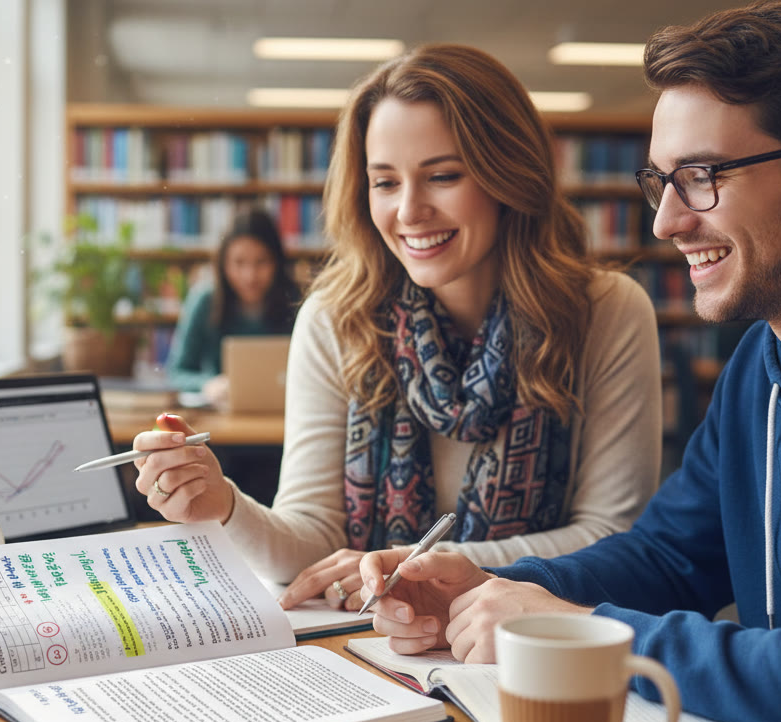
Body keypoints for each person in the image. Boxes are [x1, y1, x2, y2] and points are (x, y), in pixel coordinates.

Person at [359, 3, 781, 722]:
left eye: (701, 177)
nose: (665, 222)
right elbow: (668, 558)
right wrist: (487, 586)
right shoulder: (763, 360)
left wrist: (578, 630)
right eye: (660, 179)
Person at [130, 43, 663, 611]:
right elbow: (311, 535)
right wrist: (223, 505)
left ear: (508, 174)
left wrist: (418, 567)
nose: (409, 210)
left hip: (530, 645)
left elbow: (613, 539)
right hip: (375, 642)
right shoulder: (336, 319)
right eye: (385, 182)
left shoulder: (607, 311)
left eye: (443, 176)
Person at [164, 207, 302, 405]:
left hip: (284, 414)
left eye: (261, 262)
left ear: (277, 263)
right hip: (223, 418)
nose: (250, 275)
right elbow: (175, 373)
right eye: (239, 263)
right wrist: (208, 384)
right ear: (224, 264)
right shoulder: (205, 301)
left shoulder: (297, 302)